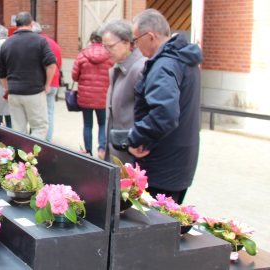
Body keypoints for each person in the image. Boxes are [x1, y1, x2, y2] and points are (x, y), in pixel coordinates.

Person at [128, 9, 203, 204]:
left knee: (157, 225)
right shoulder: (183, 59)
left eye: (136, 40)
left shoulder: (164, 65)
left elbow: (164, 114)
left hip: (162, 161)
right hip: (180, 158)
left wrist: (135, 138)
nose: (135, 46)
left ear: (151, 36)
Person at [0, 12, 57, 139]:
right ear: (32, 24)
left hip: (14, 93)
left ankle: (20, 157)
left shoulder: (6, 43)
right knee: (39, 127)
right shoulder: (40, 41)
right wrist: (47, 85)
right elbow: (51, 64)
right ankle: (32, 156)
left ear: (16, 24)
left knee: (18, 130)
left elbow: (1, 73)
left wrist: (7, 89)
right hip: (34, 91)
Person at [98, 19, 147, 164]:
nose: (106, 52)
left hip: (131, 152)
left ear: (127, 42)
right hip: (119, 149)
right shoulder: (119, 66)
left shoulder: (140, 68)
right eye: (104, 46)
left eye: (110, 46)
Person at [72, 31, 113, 159]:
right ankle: (101, 148)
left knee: (88, 124)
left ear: (91, 40)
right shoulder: (110, 56)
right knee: (102, 123)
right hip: (103, 96)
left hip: (86, 97)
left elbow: (74, 75)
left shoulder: (82, 54)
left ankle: (88, 152)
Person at [32, 22, 62, 141]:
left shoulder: (34, 43)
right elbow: (58, 64)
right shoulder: (53, 43)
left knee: (36, 114)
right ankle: (48, 139)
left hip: (38, 83)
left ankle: (37, 138)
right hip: (53, 82)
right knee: (49, 112)